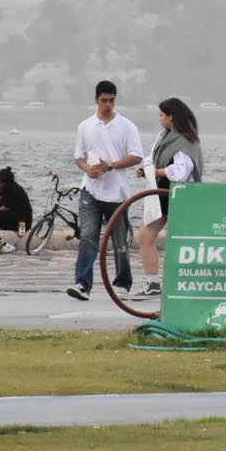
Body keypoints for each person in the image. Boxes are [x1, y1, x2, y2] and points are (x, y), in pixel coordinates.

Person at [66, 80, 146, 301]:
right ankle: (82, 284)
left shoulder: (127, 126)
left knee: (120, 240)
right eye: (104, 100)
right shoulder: (85, 126)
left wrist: (110, 165)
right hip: (90, 189)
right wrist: (88, 169)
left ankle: (122, 283)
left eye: (111, 100)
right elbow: (79, 157)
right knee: (88, 237)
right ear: (96, 100)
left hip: (117, 192)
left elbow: (136, 155)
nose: (108, 105)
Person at [137, 96, 204, 297]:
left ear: (171, 117)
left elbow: (182, 171)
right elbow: (153, 157)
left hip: (178, 193)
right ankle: (152, 282)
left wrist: (156, 172)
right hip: (161, 191)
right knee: (144, 235)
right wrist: (146, 168)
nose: (159, 119)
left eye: (161, 115)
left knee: (182, 240)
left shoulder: (185, 140)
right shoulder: (163, 136)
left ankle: (188, 281)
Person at [0, 166, 32, 249]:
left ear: (4, 182)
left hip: (23, 223)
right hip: (13, 217)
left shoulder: (13, 189)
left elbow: (6, 208)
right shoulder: (5, 189)